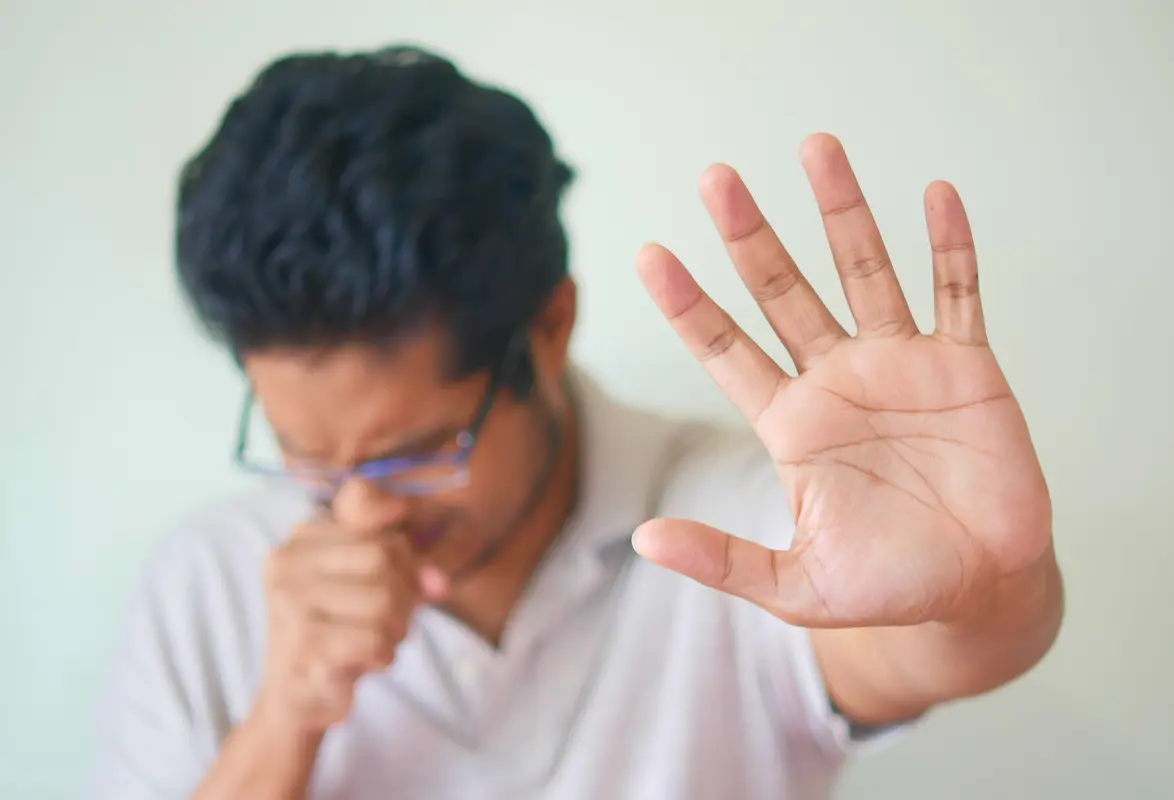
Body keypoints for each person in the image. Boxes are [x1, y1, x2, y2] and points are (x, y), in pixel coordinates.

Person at [90, 45, 1064, 799]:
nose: (359, 511)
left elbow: (919, 648)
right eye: (305, 458)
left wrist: (981, 588)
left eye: (417, 453)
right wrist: (282, 722)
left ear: (550, 328)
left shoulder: (740, 515)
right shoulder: (203, 583)